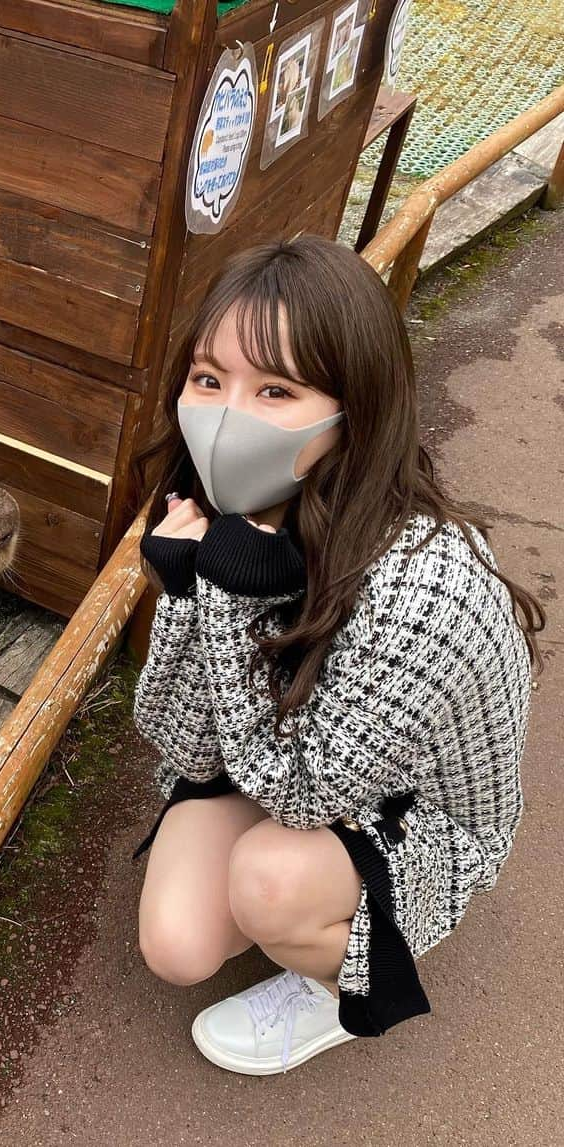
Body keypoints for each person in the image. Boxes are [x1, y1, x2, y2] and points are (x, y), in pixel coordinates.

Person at [130, 235, 543, 1076]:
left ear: (354, 407)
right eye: (210, 380)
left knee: (270, 876)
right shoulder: (237, 511)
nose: (225, 415)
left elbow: (303, 795)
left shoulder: (423, 583)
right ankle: (306, 909)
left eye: (275, 389)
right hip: (291, 752)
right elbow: (184, 744)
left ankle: (334, 993)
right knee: (177, 942)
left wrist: (228, 600)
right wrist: (186, 592)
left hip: (415, 810)